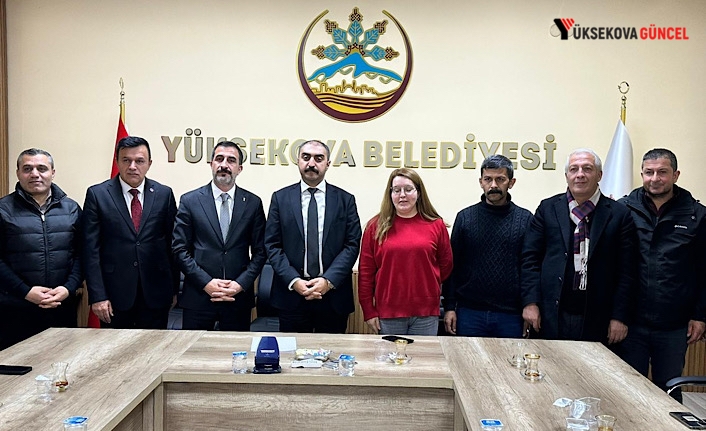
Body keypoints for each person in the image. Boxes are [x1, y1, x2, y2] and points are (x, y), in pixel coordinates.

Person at [617, 148, 706, 401]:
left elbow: (704, 272)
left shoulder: (697, 215)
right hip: (630, 323)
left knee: (668, 393)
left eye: (662, 172)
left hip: (674, 325)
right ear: (642, 175)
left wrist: (700, 316)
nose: (655, 178)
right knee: (626, 392)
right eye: (649, 172)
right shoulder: (623, 209)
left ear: (675, 175)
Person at [521, 148, 636, 343]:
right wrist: (530, 303)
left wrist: (619, 317)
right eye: (574, 169)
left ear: (599, 175)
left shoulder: (619, 214)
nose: (580, 174)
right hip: (551, 314)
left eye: (587, 169)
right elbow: (530, 260)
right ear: (567, 175)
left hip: (598, 317)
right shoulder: (548, 209)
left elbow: (627, 271)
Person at [264, 140, 361, 333]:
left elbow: (352, 245)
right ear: (298, 161)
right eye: (306, 157)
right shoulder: (280, 198)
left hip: (333, 296)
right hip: (292, 296)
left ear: (328, 163)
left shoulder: (345, 200)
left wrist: (328, 281)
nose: (311, 163)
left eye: (318, 158)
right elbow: (272, 245)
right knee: (292, 351)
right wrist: (294, 281)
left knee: (332, 351)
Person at [83, 136, 179, 329]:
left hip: (156, 294)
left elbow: (173, 246)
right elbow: (90, 250)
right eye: (126, 160)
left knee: (154, 346)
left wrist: (174, 290)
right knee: (115, 348)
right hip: (113, 296)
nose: (132, 166)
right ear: (117, 161)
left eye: (139, 161)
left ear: (149, 163)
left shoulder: (164, 194)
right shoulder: (98, 195)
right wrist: (98, 296)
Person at [173, 141, 266, 330]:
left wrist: (240, 284)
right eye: (219, 159)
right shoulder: (190, 201)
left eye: (231, 160)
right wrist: (206, 283)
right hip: (198, 297)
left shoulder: (253, 203)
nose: (224, 165)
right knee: (196, 349)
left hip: (237, 299)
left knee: (235, 348)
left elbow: (261, 251)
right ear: (211, 164)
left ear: (239, 168)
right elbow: (179, 249)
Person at [0, 148, 82, 350]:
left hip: (62, 307)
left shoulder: (72, 209)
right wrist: (26, 292)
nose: (35, 174)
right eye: (27, 169)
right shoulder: (3, 209)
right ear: (18, 173)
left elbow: (83, 255)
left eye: (41, 168)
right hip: (15, 309)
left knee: (62, 365)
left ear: (52, 172)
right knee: (18, 367)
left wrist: (68, 288)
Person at [442, 155, 532, 337]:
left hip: (511, 315)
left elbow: (530, 267)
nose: (493, 185)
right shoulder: (465, 218)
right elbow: (453, 266)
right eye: (488, 179)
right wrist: (450, 307)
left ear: (511, 182)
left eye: (500, 179)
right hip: (469, 312)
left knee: (510, 357)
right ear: (481, 182)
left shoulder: (525, 219)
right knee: (467, 357)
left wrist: (529, 305)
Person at [359, 168, 453, 336]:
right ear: (390, 194)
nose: (402, 195)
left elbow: (446, 266)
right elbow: (366, 273)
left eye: (408, 189)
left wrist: (426, 282)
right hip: (388, 312)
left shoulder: (436, 225)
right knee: (391, 354)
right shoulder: (375, 226)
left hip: (426, 313)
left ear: (419, 193)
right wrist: (368, 311)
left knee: (423, 354)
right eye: (396, 190)